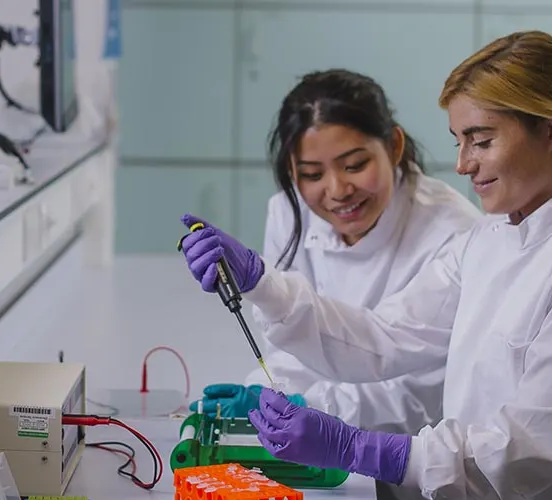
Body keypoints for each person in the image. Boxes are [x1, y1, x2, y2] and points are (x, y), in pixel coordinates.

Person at [178, 31, 552, 499]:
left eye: (482, 141)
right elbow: (383, 338)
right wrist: (261, 283)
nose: (463, 164)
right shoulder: (496, 234)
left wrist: (358, 448)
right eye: (459, 141)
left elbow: (524, 454)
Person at [188, 68, 481, 441]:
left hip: (398, 452)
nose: (338, 190)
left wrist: (308, 407)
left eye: (355, 166)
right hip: (308, 436)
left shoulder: (452, 235)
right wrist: (271, 397)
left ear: (393, 146)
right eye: (312, 174)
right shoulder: (289, 213)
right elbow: (286, 350)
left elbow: (419, 392)